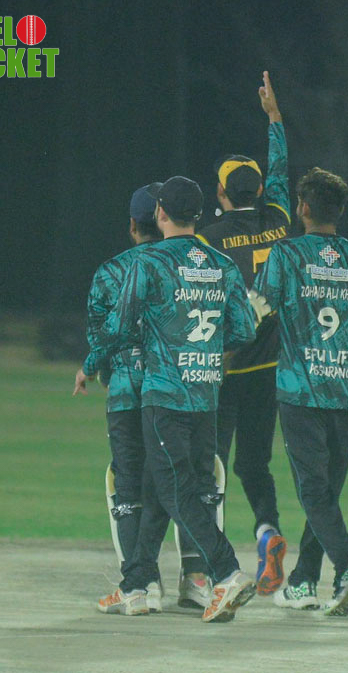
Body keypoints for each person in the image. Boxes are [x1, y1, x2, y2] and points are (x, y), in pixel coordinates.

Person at [83, 175, 258, 623]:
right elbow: (244, 330)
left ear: (160, 213)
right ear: (198, 214)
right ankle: (135, 583)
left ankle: (227, 572)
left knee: (176, 490)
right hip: (206, 394)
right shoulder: (221, 263)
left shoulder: (150, 262)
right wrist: (202, 351)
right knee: (166, 486)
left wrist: (90, 364)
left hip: (164, 395)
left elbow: (121, 326)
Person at [253, 167, 348, 616]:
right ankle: (303, 581)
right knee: (325, 492)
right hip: (345, 390)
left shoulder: (286, 254)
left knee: (314, 491)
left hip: (299, 390)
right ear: (340, 210)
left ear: (303, 208)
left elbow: (259, 309)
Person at [199, 71, 291, 596]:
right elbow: (280, 172)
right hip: (270, 367)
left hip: (224, 368)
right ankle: (268, 532)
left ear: (220, 193)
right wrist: (275, 120)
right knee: (255, 464)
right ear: (259, 191)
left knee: (210, 465)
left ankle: (211, 566)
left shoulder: (209, 240)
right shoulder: (280, 221)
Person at [74, 185, 164, 612]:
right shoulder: (185, 266)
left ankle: (140, 588)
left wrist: (97, 370)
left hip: (128, 393)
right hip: (179, 395)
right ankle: (198, 579)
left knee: (127, 489)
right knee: (175, 486)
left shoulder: (110, 272)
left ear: (132, 225)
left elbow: (101, 335)